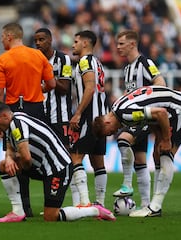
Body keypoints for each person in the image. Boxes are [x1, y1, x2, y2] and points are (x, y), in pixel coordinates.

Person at [0, 102, 116, 222]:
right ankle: (18, 211)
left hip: (58, 168)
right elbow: (10, 146)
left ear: (4, 116)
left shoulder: (17, 124)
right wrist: (10, 158)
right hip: (43, 167)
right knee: (4, 165)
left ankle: (94, 210)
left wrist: (19, 165)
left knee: (51, 216)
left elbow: (26, 158)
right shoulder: (12, 122)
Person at [92, 85, 181, 217]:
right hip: (171, 107)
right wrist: (158, 136)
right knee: (157, 154)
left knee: (165, 154)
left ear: (107, 123)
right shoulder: (116, 107)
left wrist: (166, 139)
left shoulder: (126, 114)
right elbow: (149, 116)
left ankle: (155, 207)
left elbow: (160, 113)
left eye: (110, 132)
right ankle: (153, 206)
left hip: (177, 109)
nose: (114, 132)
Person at [0, 22, 56, 217]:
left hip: (13, 112)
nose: (2, 40)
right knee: (43, 156)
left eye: (3, 37)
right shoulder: (39, 55)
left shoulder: (3, 59)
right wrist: (37, 90)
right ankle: (49, 203)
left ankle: (23, 207)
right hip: (37, 109)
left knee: (14, 158)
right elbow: (52, 84)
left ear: (9, 36)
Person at [113, 30, 166, 208]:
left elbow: (161, 83)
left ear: (132, 44)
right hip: (132, 119)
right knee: (140, 161)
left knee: (122, 140)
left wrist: (147, 104)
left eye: (121, 43)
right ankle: (145, 205)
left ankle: (127, 184)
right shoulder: (127, 69)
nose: (118, 47)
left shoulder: (145, 63)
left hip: (144, 118)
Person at [33, 28, 78, 205]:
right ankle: (50, 201)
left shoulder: (63, 59)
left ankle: (76, 200)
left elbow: (64, 88)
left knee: (67, 158)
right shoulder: (33, 59)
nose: (38, 43)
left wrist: (47, 77)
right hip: (40, 117)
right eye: (36, 40)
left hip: (61, 118)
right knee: (45, 161)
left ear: (50, 40)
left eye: (41, 39)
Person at [69, 30, 109, 206]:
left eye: (76, 41)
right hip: (101, 118)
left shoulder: (85, 62)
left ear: (85, 43)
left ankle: (83, 202)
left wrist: (77, 113)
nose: (73, 45)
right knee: (97, 161)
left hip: (89, 118)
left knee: (75, 158)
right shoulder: (97, 62)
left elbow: (90, 88)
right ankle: (99, 203)